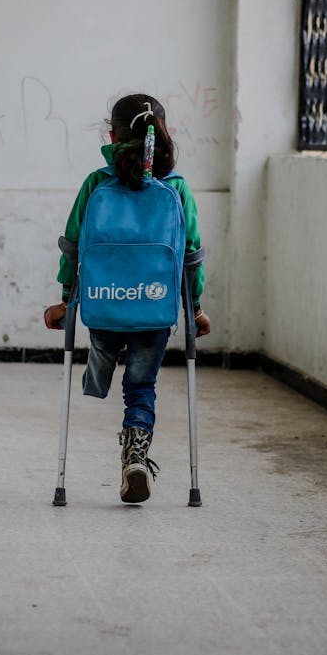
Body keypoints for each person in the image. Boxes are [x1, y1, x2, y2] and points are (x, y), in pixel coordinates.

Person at [43, 94, 211, 504]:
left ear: (112, 135)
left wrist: (66, 301)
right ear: (164, 133)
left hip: (103, 306)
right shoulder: (176, 187)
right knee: (141, 386)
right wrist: (196, 308)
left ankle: (101, 376)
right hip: (155, 307)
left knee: (108, 344)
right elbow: (191, 256)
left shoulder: (96, 184)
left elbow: (73, 248)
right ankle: (135, 455)